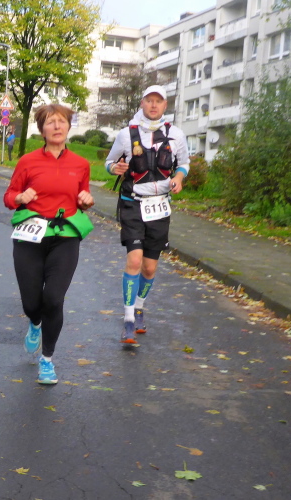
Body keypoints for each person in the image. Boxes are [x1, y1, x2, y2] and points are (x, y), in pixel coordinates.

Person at [3, 104, 94, 384]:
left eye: (62, 121)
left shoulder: (81, 164)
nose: (57, 126)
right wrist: (20, 198)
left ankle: (47, 360)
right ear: (42, 129)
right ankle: (34, 322)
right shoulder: (28, 161)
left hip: (65, 237)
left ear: (68, 127)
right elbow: (9, 196)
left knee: (54, 299)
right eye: (51, 122)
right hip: (30, 236)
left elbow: (83, 195)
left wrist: (86, 201)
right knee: (32, 303)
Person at [105, 85, 189, 344]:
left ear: (165, 106)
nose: (153, 105)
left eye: (158, 101)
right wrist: (115, 168)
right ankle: (128, 319)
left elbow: (184, 164)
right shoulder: (126, 134)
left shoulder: (176, 135)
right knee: (134, 260)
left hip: (159, 207)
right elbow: (109, 163)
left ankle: (139, 307)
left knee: (150, 267)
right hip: (132, 203)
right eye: (149, 100)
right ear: (142, 103)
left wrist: (178, 178)